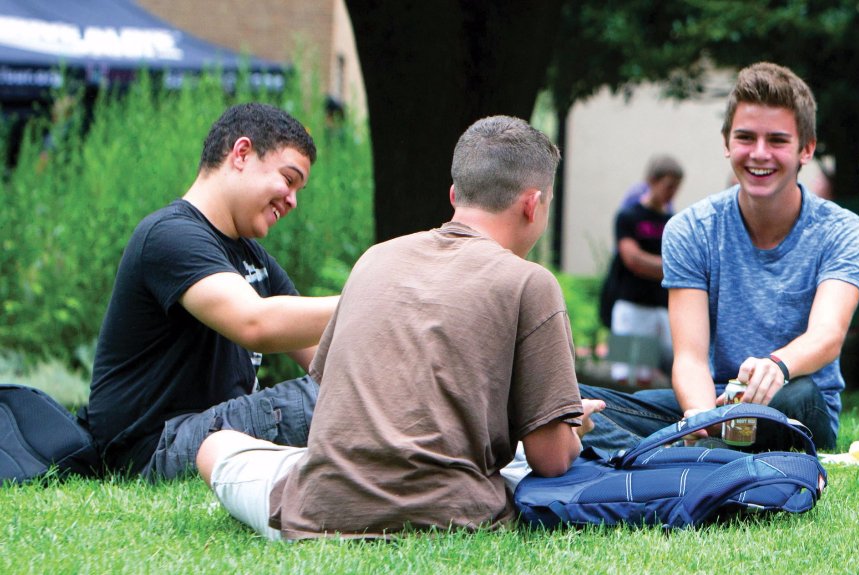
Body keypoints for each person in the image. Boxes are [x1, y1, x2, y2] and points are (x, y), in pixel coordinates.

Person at [196, 116, 602, 541]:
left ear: (454, 195)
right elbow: (551, 460)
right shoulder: (530, 282)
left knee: (215, 446)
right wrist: (572, 427)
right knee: (521, 466)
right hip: (454, 513)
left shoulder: (375, 259)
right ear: (532, 204)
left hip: (320, 511)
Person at [579, 62, 859, 453]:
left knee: (795, 396)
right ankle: (702, 449)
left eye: (777, 140)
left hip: (795, 400)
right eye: (746, 137)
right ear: (726, 143)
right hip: (715, 399)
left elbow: (828, 335)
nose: (760, 154)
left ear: (806, 149)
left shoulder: (844, 230)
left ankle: (669, 454)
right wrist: (702, 417)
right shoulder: (689, 229)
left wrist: (777, 366)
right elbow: (689, 358)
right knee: (576, 402)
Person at [75, 103, 337, 480]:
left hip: (212, 432)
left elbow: (325, 355)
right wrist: (373, 296)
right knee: (329, 404)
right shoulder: (169, 235)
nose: (293, 200)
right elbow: (254, 323)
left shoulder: (253, 259)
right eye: (288, 179)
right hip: (155, 447)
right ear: (241, 153)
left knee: (356, 393)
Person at [601, 154, 683, 384]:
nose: (672, 193)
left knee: (645, 376)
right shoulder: (628, 216)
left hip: (657, 307)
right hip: (629, 306)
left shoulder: (673, 222)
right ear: (652, 180)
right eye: (668, 186)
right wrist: (673, 267)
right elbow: (633, 259)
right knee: (623, 376)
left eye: (676, 187)